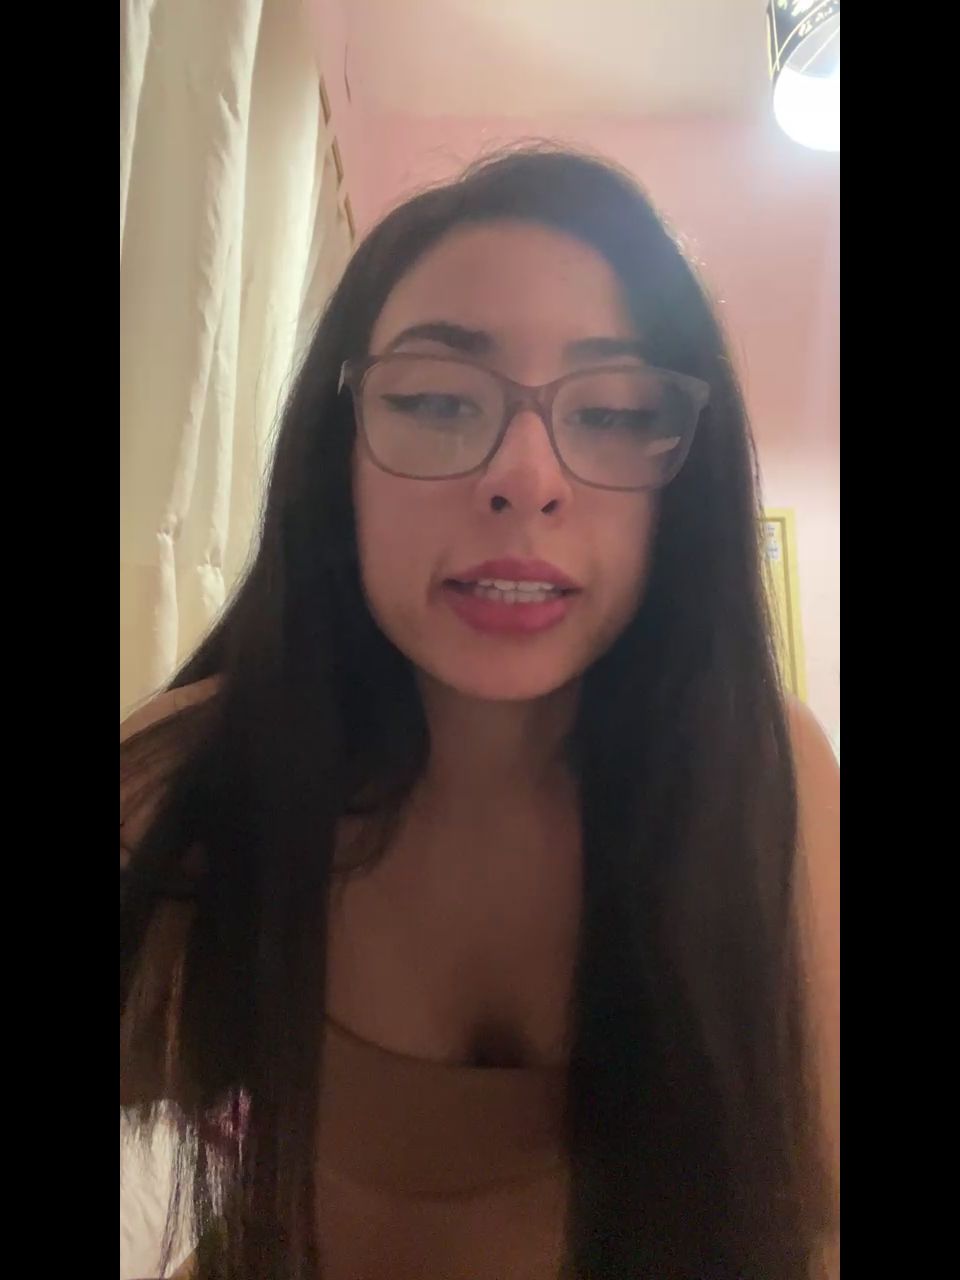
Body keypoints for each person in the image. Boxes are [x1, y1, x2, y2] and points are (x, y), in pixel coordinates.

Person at [120, 147, 840, 1280]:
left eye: (613, 412)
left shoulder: (766, 774)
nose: (527, 477)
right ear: (339, 456)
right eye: (437, 400)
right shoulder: (199, 768)